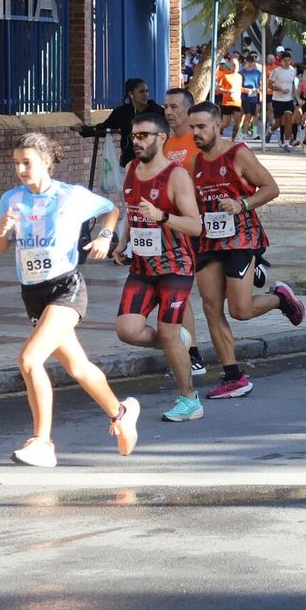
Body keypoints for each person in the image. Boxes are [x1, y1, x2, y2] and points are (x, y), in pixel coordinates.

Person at [0, 133, 138, 468]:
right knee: (78, 367)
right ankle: (121, 412)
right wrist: (3, 228)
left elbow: (110, 209)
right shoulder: (12, 199)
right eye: (16, 163)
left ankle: (43, 442)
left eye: (27, 162)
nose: (21, 169)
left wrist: (104, 236)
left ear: (46, 161)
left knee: (29, 359)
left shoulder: (70, 195)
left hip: (66, 288)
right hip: (33, 292)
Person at [189, 102, 305, 399]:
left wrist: (241, 204)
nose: (195, 133)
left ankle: (280, 299)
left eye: (201, 127)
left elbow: (271, 188)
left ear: (217, 125)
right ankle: (233, 376)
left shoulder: (238, 154)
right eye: (192, 128)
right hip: (208, 241)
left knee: (240, 310)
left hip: (240, 238)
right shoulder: (196, 163)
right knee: (211, 306)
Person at [113, 111, 205, 422]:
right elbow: (132, 211)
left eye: (143, 136)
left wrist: (162, 216)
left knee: (166, 331)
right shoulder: (130, 169)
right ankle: (175, 340)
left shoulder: (176, 176)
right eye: (133, 136)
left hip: (174, 266)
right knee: (127, 330)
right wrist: (123, 242)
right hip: (141, 266)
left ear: (161, 138)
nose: (135, 142)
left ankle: (189, 399)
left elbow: (195, 225)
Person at [94, 78, 161, 166]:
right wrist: (84, 129)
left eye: (147, 91)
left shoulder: (157, 111)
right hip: (128, 161)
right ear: (131, 94)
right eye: (141, 92)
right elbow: (105, 128)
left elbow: (163, 132)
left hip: (152, 161)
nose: (145, 95)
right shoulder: (121, 112)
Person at [161, 88, 201, 172]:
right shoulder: (166, 142)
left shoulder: (202, 141)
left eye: (174, 107)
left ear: (190, 110)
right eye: (166, 107)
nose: (168, 112)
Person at [267, 52, 299, 150]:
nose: (287, 62)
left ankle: (286, 142)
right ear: (280, 61)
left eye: (288, 60)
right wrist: (280, 89)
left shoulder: (293, 70)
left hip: (288, 100)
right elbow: (270, 85)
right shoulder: (276, 71)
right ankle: (270, 130)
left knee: (289, 119)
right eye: (285, 60)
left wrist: (297, 98)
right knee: (277, 123)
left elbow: (294, 85)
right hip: (277, 100)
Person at [216, 55, 244, 137]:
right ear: (230, 65)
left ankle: (233, 139)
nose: (235, 67)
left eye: (237, 65)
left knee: (237, 122)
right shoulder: (226, 76)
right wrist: (227, 91)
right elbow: (218, 88)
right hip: (227, 102)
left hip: (237, 102)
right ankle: (215, 132)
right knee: (226, 124)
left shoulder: (240, 76)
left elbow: (239, 88)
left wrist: (247, 90)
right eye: (233, 65)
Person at [238, 54, 264, 140]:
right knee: (247, 115)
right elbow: (238, 86)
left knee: (255, 114)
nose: (251, 64)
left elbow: (261, 85)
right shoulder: (241, 73)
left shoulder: (257, 73)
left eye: (252, 62)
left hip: (255, 97)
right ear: (246, 62)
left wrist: (259, 89)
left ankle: (254, 133)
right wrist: (246, 90)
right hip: (244, 97)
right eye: (249, 62)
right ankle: (242, 134)